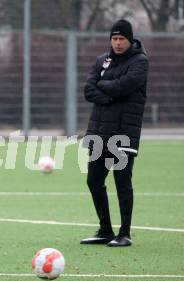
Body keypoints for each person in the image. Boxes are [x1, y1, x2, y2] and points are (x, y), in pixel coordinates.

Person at [81, 19, 149, 247]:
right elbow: (88, 89)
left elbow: (125, 86)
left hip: (123, 134)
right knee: (93, 180)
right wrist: (109, 94)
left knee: (122, 181)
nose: (118, 43)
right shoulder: (103, 60)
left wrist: (104, 87)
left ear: (130, 40)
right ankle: (105, 230)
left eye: (122, 39)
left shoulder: (140, 62)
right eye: (115, 38)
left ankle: (125, 233)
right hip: (99, 132)